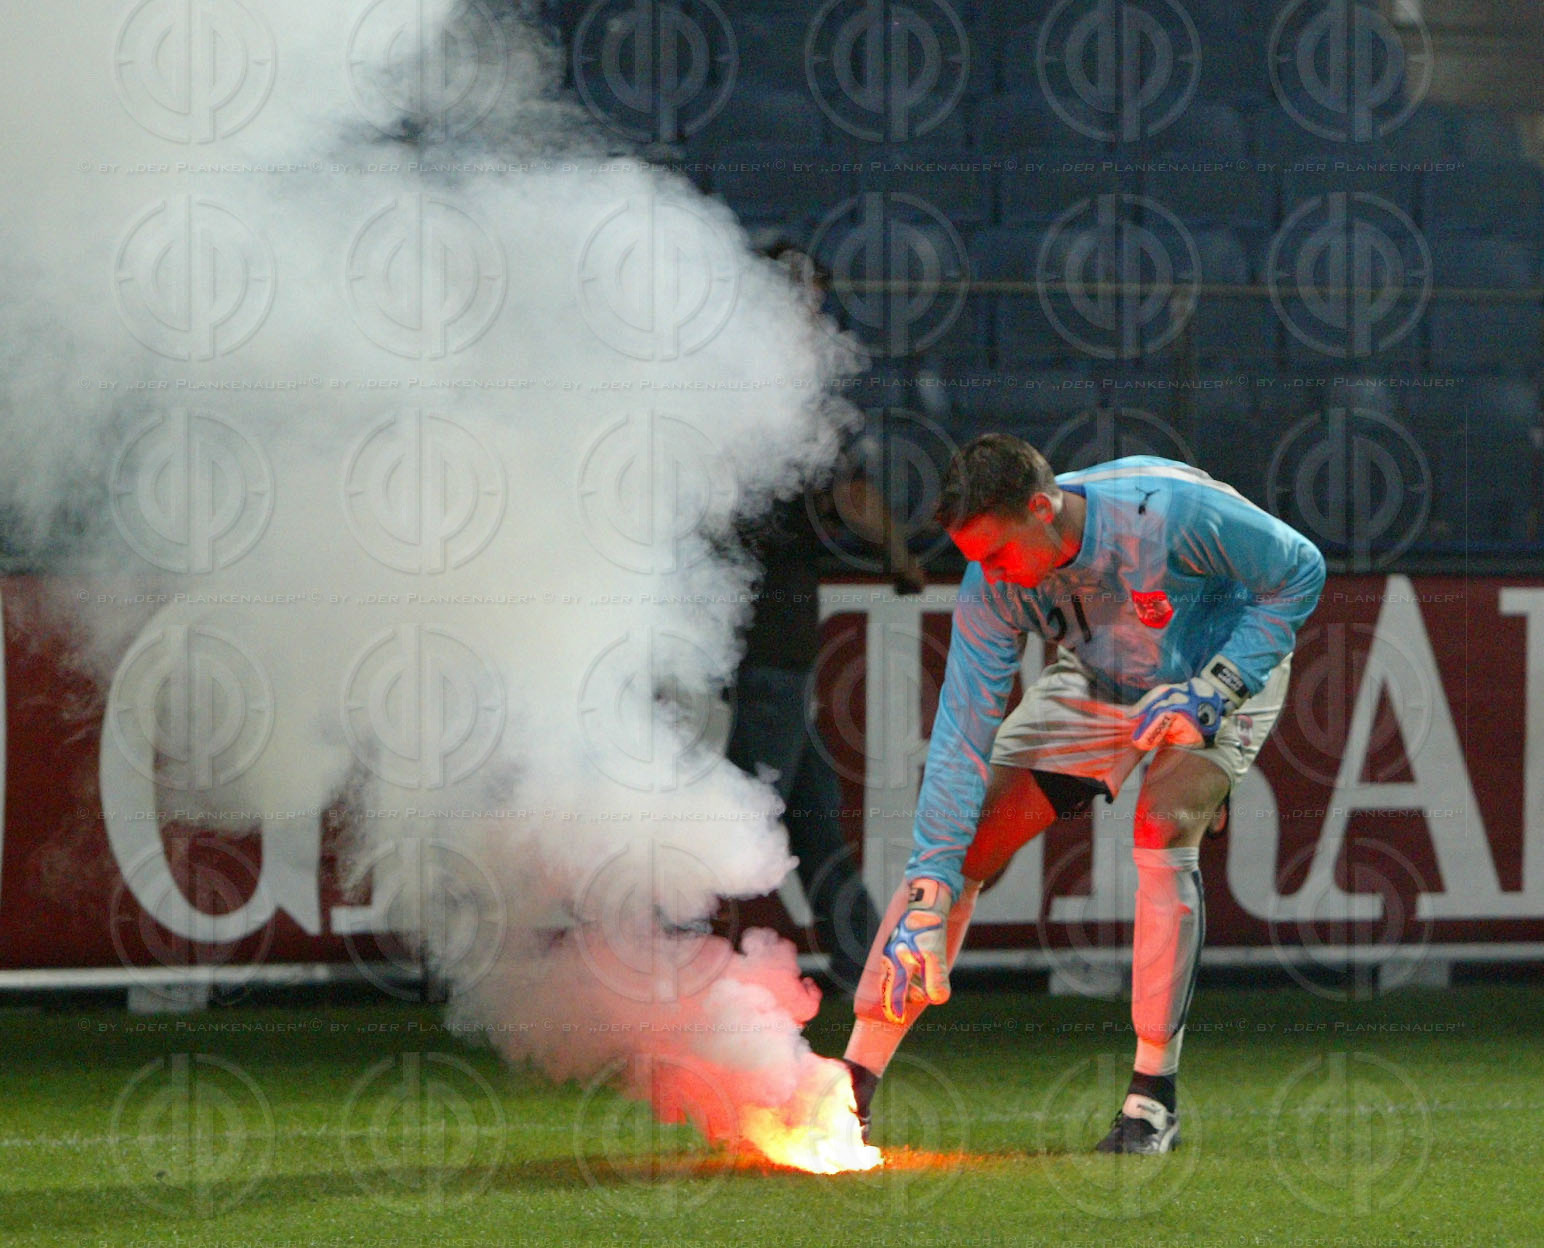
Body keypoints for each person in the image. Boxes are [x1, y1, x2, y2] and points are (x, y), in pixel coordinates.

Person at [842, 433, 1326, 1153]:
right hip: (1102, 678)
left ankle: (1151, 1099)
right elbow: (960, 736)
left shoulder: (1169, 512)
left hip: (1221, 670)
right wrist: (927, 888)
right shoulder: (991, 580)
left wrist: (1219, 687)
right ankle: (852, 1081)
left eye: (998, 553)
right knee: (966, 848)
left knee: (1161, 827)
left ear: (1043, 508)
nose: (989, 574)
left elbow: (1300, 572)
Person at [725, 240, 927, 994]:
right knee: (733, 813)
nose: (807, 309)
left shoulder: (732, 382)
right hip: (765, 635)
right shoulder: (785, 391)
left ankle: (870, 968)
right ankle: (658, 956)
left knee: (811, 821)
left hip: (752, 633)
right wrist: (900, 554)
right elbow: (851, 493)